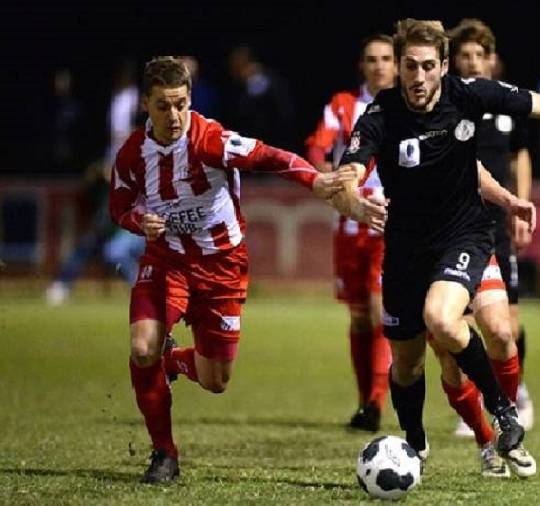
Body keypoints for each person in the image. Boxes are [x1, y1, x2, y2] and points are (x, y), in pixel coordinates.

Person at [337, 18, 540, 474]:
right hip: (405, 250)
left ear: (443, 66)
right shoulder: (381, 113)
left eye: (427, 66)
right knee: (406, 365)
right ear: (399, 66)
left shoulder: (469, 94)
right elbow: (349, 172)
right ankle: (414, 443)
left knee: (446, 319)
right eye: (410, 67)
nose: (418, 78)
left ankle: (504, 411)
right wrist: (353, 199)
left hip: (464, 236)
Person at [110, 56, 375, 484]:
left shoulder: (211, 139)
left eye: (180, 104)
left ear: (190, 100)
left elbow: (271, 157)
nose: (173, 115)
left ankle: (175, 362)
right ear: (145, 104)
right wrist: (138, 222)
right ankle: (164, 453)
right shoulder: (131, 153)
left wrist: (317, 182)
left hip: (221, 268)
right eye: (162, 106)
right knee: (142, 348)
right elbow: (119, 206)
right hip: (167, 262)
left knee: (216, 380)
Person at [422, 18, 536, 478]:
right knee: (449, 342)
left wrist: (517, 203)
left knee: (505, 325)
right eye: (462, 55)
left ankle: (508, 404)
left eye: (477, 55)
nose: (471, 62)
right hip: (440, 234)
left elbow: (519, 155)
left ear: (490, 60)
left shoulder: (504, 105)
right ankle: (488, 433)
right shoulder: (441, 105)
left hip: (491, 225)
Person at [304, 34, 397, 432]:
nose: (379, 65)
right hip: (348, 226)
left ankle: (376, 402)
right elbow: (316, 150)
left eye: (386, 58)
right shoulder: (342, 106)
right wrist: (332, 183)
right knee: (360, 318)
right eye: (371, 59)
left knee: (379, 312)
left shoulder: (406, 107)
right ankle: (365, 402)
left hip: (389, 224)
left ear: (396, 64)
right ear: (362, 65)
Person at [45, 159, 145, 305]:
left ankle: (142, 289)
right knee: (84, 247)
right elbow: (90, 180)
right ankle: (62, 285)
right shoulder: (102, 189)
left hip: (134, 234)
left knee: (114, 252)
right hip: (108, 235)